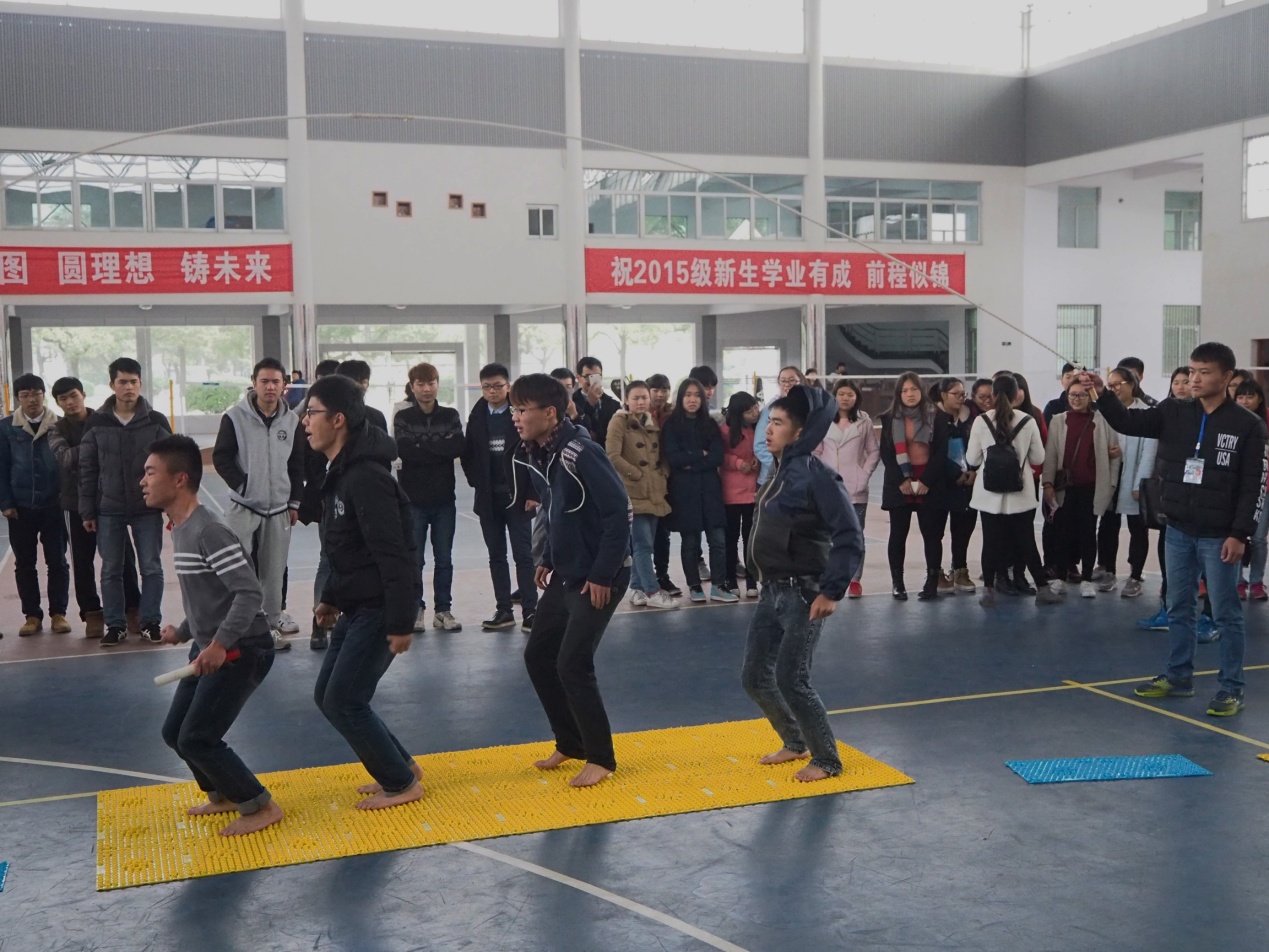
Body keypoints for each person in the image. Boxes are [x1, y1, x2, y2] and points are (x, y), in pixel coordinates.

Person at [1084, 342, 1268, 717]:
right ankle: (1179, 676)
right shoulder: (1173, 411)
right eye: (1191, 371)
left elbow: (1254, 485)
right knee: (1178, 606)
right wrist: (1101, 394)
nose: (1194, 379)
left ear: (1227, 377)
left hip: (1220, 536)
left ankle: (1231, 688)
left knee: (1226, 614)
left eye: (1204, 372)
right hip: (1179, 530)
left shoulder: (1248, 426)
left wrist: (1240, 533)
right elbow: (1127, 422)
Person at [147, 435, 282, 837]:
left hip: (244, 648)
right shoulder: (181, 528)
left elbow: (249, 593)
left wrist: (220, 644)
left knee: (198, 737)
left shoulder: (209, 530)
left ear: (179, 480)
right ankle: (222, 794)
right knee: (175, 733)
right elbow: (210, 596)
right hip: (210, 644)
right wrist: (184, 631)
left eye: (150, 472)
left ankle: (260, 805)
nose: (143, 481)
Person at [306, 373, 424, 808]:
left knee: (345, 700)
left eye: (312, 412)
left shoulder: (366, 477)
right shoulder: (340, 472)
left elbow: (394, 554)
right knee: (328, 696)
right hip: (357, 604)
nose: (305, 421)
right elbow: (345, 546)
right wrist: (331, 596)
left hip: (379, 607)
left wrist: (401, 621)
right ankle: (402, 765)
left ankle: (401, 783)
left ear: (338, 419)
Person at [513, 374, 634, 788]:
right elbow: (558, 510)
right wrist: (549, 556)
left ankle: (601, 758)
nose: (516, 417)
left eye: (522, 409)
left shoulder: (581, 452)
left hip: (600, 573)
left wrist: (603, 573)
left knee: (572, 663)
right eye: (514, 410)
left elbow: (619, 512)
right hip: (567, 571)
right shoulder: (541, 451)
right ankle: (571, 741)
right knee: (538, 656)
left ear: (550, 413)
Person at [742, 384, 863, 783]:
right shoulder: (776, 473)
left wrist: (831, 590)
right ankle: (795, 742)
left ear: (799, 433)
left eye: (778, 423)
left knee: (792, 679)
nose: (768, 430)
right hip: (772, 591)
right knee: (755, 677)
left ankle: (827, 759)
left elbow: (849, 534)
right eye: (768, 421)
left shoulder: (818, 476)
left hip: (803, 593)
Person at [213, 358, 305, 650]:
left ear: (284, 386)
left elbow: (296, 464)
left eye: (276, 381)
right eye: (264, 381)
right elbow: (221, 457)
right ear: (254, 383)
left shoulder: (292, 422)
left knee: (273, 575)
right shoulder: (234, 418)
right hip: (243, 507)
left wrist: (293, 502)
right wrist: (243, 485)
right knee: (237, 571)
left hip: (278, 510)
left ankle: (269, 628)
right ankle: (234, 629)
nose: (270, 387)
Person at [79, 357, 171, 647]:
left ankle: (150, 622)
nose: (128, 387)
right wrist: (87, 510)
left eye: (133, 381)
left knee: (152, 568)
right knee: (110, 570)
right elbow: (87, 468)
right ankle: (115, 625)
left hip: (148, 509)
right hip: (109, 509)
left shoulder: (156, 421)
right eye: (122, 382)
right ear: (112, 385)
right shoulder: (97, 423)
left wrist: (171, 506)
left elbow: (171, 466)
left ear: (140, 384)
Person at [49, 376, 141, 639]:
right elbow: (66, 458)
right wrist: (99, 444)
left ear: (83, 395)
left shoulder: (103, 419)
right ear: (57, 403)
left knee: (124, 558)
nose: (70, 402)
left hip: (111, 500)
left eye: (73, 396)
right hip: (74, 504)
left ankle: (133, 608)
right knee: (82, 561)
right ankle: (91, 613)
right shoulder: (56, 429)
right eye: (63, 399)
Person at [968, 375, 1065, 608]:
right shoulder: (1028, 421)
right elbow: (1038, 458)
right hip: (1020, 494)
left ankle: (988, 592)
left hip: (988, 495)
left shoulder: (981, 421)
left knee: (990, 543)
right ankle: (1042, 589)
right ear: (1015, 395)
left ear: (993, 395)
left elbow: (972, 459)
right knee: (1027, 542)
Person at [462, 362, 538, 632]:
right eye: (486, 387)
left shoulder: (521, 414)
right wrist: (477, 482)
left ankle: (531, 611)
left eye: (497, 386)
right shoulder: (477, 415)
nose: (492, 391)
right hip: (488, 500)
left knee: (523, 556)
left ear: (508, 387)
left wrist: (532, 492)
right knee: (496, 556)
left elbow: (534, 453)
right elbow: (468, 454)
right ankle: (504, 610)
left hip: (518, 498)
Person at [394, 362, 465, 632]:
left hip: (444, 500)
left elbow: (457, 446)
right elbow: (405, 450)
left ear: (437, 384)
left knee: (444, 559)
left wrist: (423, 447)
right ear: (412, 387)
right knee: (415, 559)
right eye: (421, 384)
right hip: (413, 501)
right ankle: (416, 608)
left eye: (431, 383)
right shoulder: (403, 418)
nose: (427, 389)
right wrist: (439, 448)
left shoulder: (450, 415)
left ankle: (443, 610)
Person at [0, 374, 70, 636]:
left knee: (58, 562)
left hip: (54, 506)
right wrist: (6, 503)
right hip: (20, 508)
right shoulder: (6, 428)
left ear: (44, 395)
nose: (31, 399)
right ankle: (32, 616)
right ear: (18, 398)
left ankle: (58, 614)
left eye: (36, 394)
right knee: (24, 564)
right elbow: (1, 468)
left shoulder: (60, 424)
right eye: (25, 395)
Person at [1042, 379, 1122, 598]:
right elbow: (1051, 455)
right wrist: (1047, 483)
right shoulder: (1058, 420)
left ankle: (1086, 579)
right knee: (1062, 533)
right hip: (1064, 488)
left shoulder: (1102, 420)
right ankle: (1060, 577)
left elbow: (1115, 453)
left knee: (1088, 533)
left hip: (1092, 487)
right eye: (1072, 395)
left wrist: (1111, 483)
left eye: (1082, 395)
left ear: (1090, 397)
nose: (1076, 399)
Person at [605, 380, 677, 611]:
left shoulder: (651, 422)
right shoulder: (619, 421)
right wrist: (636, 473)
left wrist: (662, 473)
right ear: (626, 400)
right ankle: (652, 591)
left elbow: (661, 455)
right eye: (635, 398)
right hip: (632, 492)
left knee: (644, 545)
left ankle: (637, 588)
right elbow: (612, 455)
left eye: (644, 397)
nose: (640, 402)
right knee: (643, 544)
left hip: (654, 492)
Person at [878, 372, 949, 601]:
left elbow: (941, 451)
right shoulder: (889, 418)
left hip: (930, 482)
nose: (910, 394)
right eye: (905, 390)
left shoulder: (938, 416)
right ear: (899, 394)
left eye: (914, 389)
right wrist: (902, 481)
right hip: (900, 483)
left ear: (922, 391)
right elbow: (887, 453)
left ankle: (932, 583)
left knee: (932, 536)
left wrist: (926, 480)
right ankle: (898, 584)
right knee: (898, 534)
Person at [662, 378, 733, 603]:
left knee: (718, 541)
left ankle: (719, 585)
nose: (692, 400)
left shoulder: (710, 424)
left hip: (710, 489)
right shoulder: (671, 425)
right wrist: (699, 454)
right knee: (690, 543)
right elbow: (674, 458)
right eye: (688, 395)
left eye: (696, 395)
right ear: (680, 397)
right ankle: (694, 586)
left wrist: (691, 462)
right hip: (684, 491)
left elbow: (717, 457)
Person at [1094, 367, 1157, 598]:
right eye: (1110, 385)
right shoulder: (1103, 412)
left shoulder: (1147, 413)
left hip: (1134, 477)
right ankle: (1109, 571)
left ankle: (1135, 576)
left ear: (1132, 384)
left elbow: (1149, 452)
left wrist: (1140, 483)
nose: (1113, 389)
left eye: (1117, 384)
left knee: (1137, 528)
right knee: (1108, 526)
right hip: (1111, 477)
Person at [813, 378, 879, 598]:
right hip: (829, 489)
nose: (845, 398)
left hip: (856, 490)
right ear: (835, 396)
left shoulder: (864, 421)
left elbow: (873, 451)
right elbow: (816, 452)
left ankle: (855, 579)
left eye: (850, 394)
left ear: (856, 397)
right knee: (826, 536)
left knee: (856, 536)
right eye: (841, 394)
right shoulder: (824, 420)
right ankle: (828, 577)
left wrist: (864, 474)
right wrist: (822, 477)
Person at [297, 358, 341, 650]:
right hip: (324, 500)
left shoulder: (358, 417)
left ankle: (345, 621)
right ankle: (319, 623)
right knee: (327, 560)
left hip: (348, 499)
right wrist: (320, 487)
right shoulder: (307, 416)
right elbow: (302, 460)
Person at [929, 377, 978, 594]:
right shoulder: (932, 419)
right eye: (956, 394)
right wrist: (954, 473)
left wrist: (973, 471)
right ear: (943, 395)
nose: (961, 398)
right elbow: (931, 452)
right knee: (935, 531)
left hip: (967, 483)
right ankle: (936, 573)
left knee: (963, 530)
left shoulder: (972, 418)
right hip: (940, 483)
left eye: (963, 394)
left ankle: (960, 570)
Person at [720, 391, 761, 598]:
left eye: (755, 407)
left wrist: (757, 459)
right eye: (749, 411)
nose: (755, 413)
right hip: (730, 490)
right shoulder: (725, 431)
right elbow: (720, 455)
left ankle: (752, 579)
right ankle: (730, 578)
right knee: (731, 537)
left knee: (750, 537)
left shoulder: (758, 428)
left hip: (752, 490)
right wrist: (738, 463)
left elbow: (763, 448)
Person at [1234, 378, 1269, 601]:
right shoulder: (1231, 419)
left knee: (1258, 538)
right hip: (1236, 488)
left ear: (1259, 399)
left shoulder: (1266, 420)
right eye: (1241, 396)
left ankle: (1256, 582)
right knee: (1236, 535)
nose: (1245, 401)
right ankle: (1238, 581)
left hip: (1264, 489)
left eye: (1250, 396)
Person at [645, 373, 678, 595]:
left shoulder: (673, 415)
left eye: (664, 390)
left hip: (667, 481)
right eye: (655, 390)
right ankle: (642, 580)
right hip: (643, 483)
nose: (660, 394)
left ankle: (662, 575)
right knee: (642, 535)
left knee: (662, 532)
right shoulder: (635, 415)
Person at [754, 366, 804, 486]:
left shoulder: (806, 407)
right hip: (773, 478)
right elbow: (759, 445)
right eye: (783, 381)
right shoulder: (771, 408)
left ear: (801, 381)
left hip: (800, 475)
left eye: (792, 380)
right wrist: (783, 465)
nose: (787, 384)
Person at [572, 356, 621, 442]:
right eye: (588, 376)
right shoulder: (572, 402)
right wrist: (590, 404)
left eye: (596, 376)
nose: (592, 381)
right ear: (578, 378)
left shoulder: (613, 404)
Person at [334, 359, 388, 432]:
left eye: (363, 382)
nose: (358, 387)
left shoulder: (376, 416)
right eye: (354, 382)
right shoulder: (331, 415)